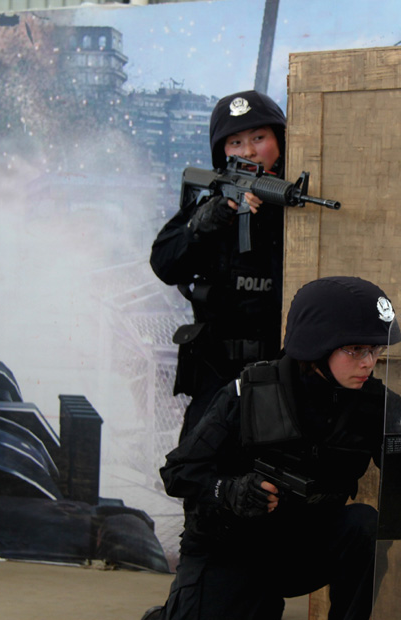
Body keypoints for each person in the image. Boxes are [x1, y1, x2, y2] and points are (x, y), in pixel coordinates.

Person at [149, 276, 401, 620]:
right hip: (233, 548)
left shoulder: (375, 405)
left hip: (300, 546)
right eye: (356, 350)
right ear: (317, 345)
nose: (368, 362)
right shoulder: (251, 393)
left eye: (375, 350)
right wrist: (230, 490)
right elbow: (178, 472)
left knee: (364, 527)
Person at [150, 90, 287, 440]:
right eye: (235, 143)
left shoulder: (292, 211)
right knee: (200, 475)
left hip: (281, 372)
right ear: (221, 153)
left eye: (259, 138)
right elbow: (163, 263)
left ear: (280, 141)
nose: (248, 151)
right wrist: (201, 227)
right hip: (215, 373)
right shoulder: (213, 204)